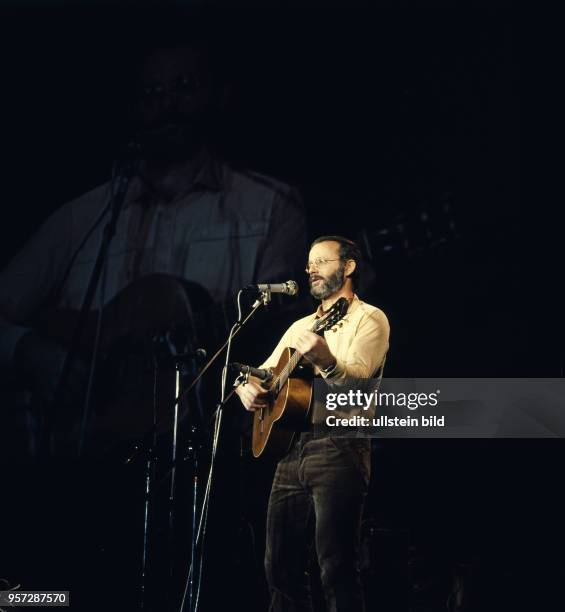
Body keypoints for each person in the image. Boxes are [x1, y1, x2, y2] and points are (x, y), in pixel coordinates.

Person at [0, 38, 307, 442]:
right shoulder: (84, 215)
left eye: (184, 86)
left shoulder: (271, 206)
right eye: (152, 92)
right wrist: (28, 352)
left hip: (206, 454)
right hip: (77, 447)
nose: (168, 104)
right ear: (132, 108)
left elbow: (281, 332)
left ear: (218, 95)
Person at [236, 235, 390, 611]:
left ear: (348, 267)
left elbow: (356, 386)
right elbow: (263, 373)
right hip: (290, 449)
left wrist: (325, 359)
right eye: (309, 263)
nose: (311, 269)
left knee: (336, 566)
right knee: (279, 568)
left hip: (339, 445)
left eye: (321, 261)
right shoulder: (302, 326)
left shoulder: (369, 318)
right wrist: (246, 387)